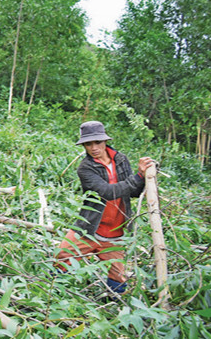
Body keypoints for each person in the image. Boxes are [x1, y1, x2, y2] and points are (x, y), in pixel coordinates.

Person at [55, 121, 154, 295]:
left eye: (97, 142)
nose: (93, 148)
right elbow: (107, 192)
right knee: (62, 257)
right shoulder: (85, 168)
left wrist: (146, 176)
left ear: (105, 141)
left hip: (114, 231)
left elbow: (133, 192)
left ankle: (113, 305)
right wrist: (138, 176)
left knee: (118, 277)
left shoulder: (121, 159)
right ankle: (53, 294)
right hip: (89, 228)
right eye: (88, 144)